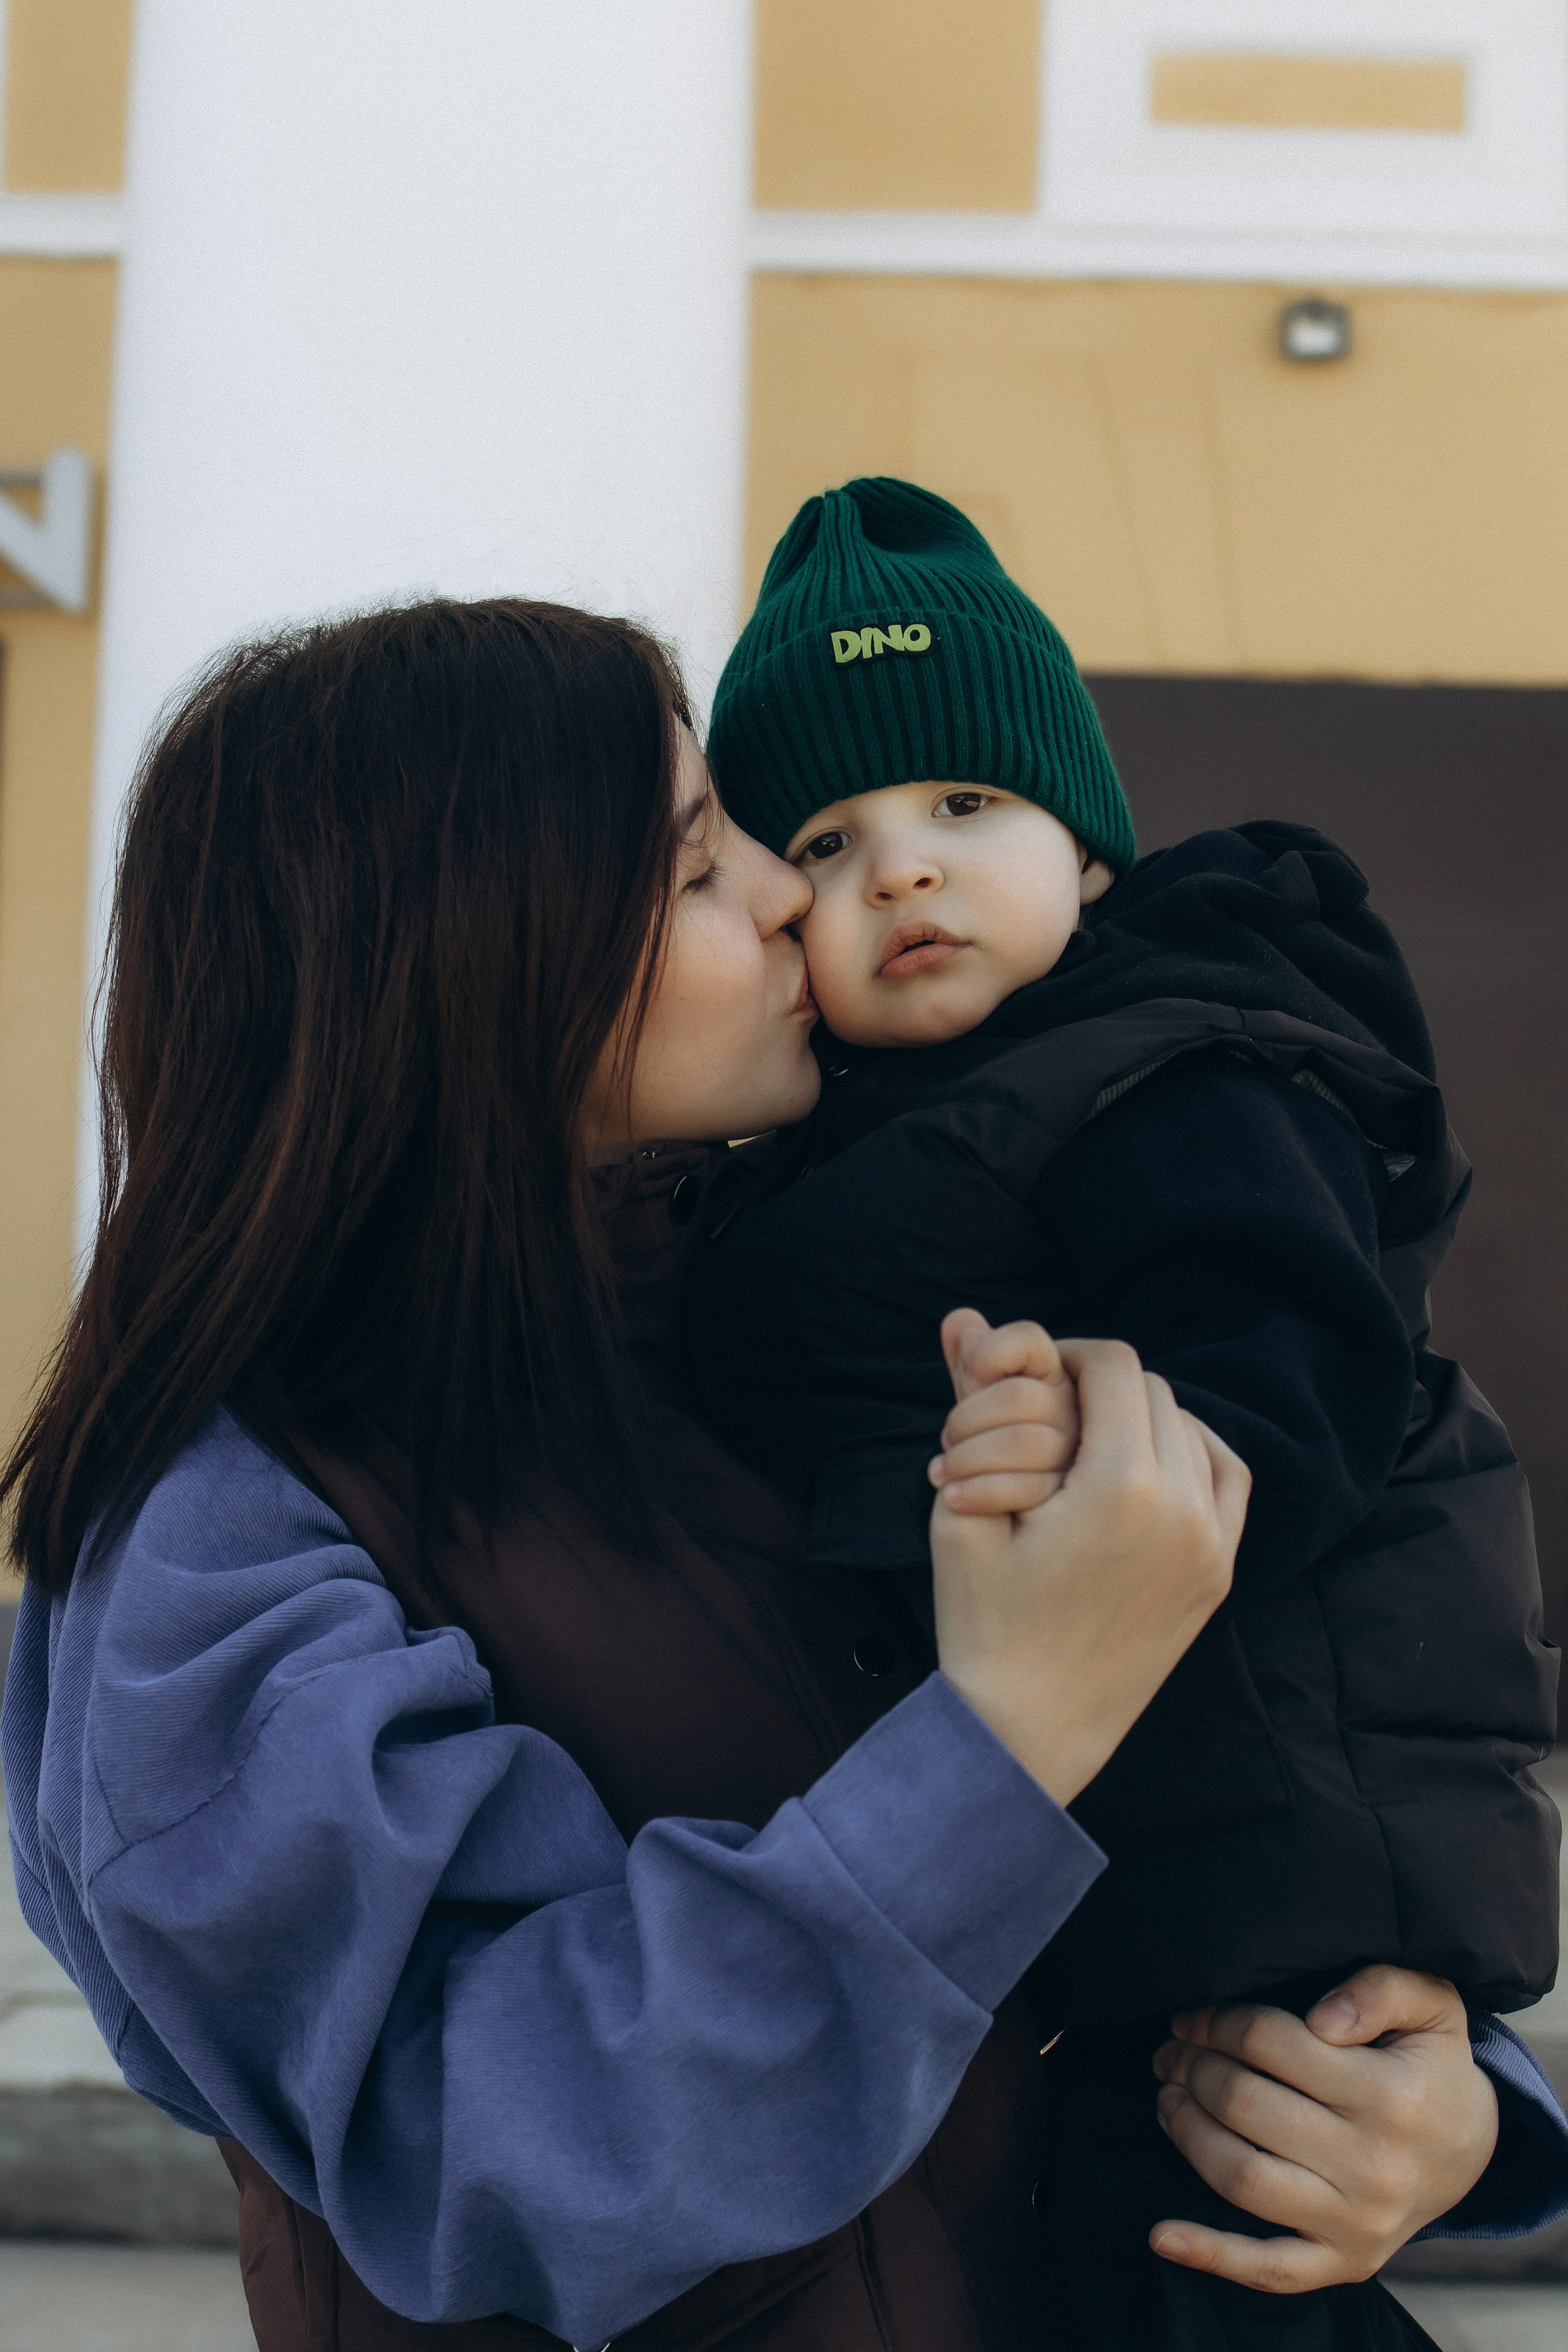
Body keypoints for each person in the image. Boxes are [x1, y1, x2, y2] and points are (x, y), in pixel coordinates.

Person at [0, 600, 1561, 2352]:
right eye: (695, 867)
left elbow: (1275, 1737)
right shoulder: (224, 1528)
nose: (788, 896)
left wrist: (1441, 2098)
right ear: (465, 965)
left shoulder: (792, 1326)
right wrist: (1013, 1733)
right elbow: (474, 2150)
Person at [692, 479, 1564, 2344]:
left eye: (964, 808)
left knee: (1197, 2243)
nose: (902, 871)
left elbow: (1300, 1371)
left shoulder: (1169, 1074)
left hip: (1275, 1829)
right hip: (1113, 1855)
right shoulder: (837, 1155)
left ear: (1089, 853)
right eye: (827, 846)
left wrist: (1095, 1468)